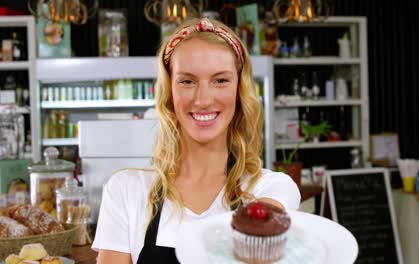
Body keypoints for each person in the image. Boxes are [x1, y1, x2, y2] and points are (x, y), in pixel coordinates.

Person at [92, 17, 300, 264]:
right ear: (170, 92)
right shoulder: (126, 190)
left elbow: (262, 228)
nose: (202, 99)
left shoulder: (270, 188)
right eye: (187, 81)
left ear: (239, 90)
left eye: (220, 80)